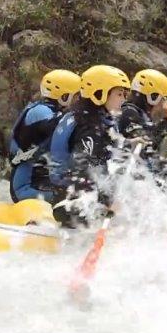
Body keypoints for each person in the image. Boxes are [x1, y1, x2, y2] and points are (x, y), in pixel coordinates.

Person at [48, 65, 131, 227]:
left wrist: (129, 143)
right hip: (69, 198)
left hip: (70, 191)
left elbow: (100, 155)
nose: (123, 99)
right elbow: (82, 166)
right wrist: (106, 202)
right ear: (99, 93)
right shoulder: (89, 126)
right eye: (119, 94)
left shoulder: (86, 116)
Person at [8, 69, 81, 202]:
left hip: (43, 180)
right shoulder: (39, 112)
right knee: (73, 196)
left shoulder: (51, 111)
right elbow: (58, 128)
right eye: (77, 96)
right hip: (25, 188)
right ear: (64, 96)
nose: (79, 100)